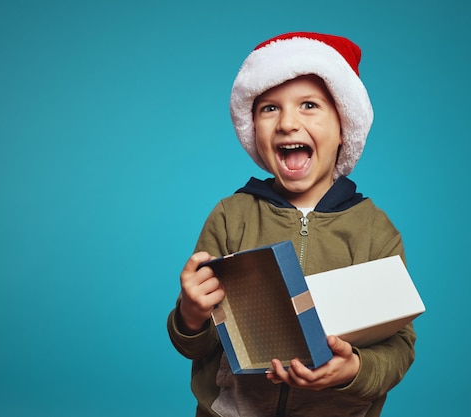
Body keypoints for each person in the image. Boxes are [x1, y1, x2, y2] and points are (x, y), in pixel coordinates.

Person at [167, 32, 417, 417]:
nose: (287, 123)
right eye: (269, 108)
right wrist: (191, 314)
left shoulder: (375, 231)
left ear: (343, 127)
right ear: (252, 128)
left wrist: (355, 369)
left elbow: (397, 347)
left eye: (309, 105)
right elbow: (195, 346)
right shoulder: (231, 216)